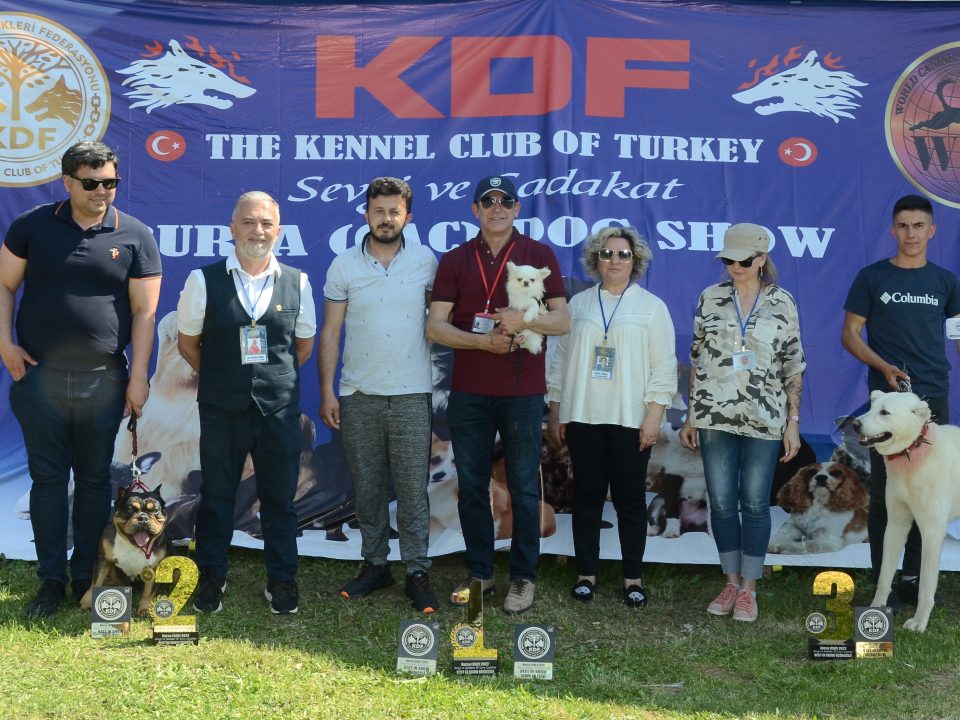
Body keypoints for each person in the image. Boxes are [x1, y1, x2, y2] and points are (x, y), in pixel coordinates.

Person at [0, 141, 162, 618]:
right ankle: (50, 582)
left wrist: (140, 377)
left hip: (104, 380)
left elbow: (145, 312)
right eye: (91, 183)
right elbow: (5, 284)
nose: (101, 191)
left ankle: (88, 579)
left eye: (110, 182)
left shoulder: (135, 234)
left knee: (93, 482)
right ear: (67, 181)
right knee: (48, 481)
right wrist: (5, 343)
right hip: (40, 377)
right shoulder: (31, 226)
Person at [426, 175, 570, 614]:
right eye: (487, 201)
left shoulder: (538, 255)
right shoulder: (455, 259)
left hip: (522, 391)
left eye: (505, 200)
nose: (497, 207)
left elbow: (562, 321)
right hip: (469, 391)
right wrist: (481, 342)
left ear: (517, 208)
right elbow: (436, 327)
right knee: (472, 486)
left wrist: (523, 320)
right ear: (475, 210)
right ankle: (480, 573)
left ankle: (523, 577)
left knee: (524, 487)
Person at [177, 191, 316, 615]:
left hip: (278, 410)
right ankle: (211, 578)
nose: (258, 231)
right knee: (217, 496)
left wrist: (269, 380)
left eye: (267, 223)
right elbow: (187, 344)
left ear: (278, 231)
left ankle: (282, 580)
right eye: (250, 222)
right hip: (221, 409)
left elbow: (302, 347)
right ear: (233, 228)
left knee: (279, 500)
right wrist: (224, 378)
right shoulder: (203, 280)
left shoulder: (298, 281)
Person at [319, 177, 439, 612]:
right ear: (366, 214)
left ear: (408, 216)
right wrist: (328, 391)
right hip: (359, 393)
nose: (386, 219)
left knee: (412, 489)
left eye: (394, 211)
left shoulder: (426, 261)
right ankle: (375, 565)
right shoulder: (343, 265)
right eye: (378, 211)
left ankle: (417, 570)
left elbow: (439, 322)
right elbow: (330, 332)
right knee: (367, 487)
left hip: (412, 393)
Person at [679, 223, 805, 623]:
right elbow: (696, 358)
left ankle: (750, 588)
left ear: (762, 259)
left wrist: (793, 422)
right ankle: (730, 581)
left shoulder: (783, 302)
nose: (735, 267)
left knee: (753, 503)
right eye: (729, 260)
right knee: (721, 504)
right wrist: (691, 414)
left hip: (765, 419)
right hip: (714, 416)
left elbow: (794, 366)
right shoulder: (710, 297)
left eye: (744, 261)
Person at [547, 226, 676, 607]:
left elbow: (664, 367)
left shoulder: (652, 307)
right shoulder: (578, 305)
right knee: (586, 498)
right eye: (606, 253)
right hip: (583, 416)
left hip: (630, 420)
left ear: (635, 261)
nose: (614, 260)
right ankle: (586, 574)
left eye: (623, 254)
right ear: (595, 260)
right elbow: (559, 361)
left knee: (630, 501)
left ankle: (632, 578)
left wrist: (654, 416)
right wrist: (556, 409)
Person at [842, 194, 960, 609]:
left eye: (919, 226)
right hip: (888, 406)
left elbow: (958, 334)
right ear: (893, 230)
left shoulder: (945, 282)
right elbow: (850, 335)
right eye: (904, 226)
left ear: (932, 231)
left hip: (932, 401)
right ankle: (884, 588)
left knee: (929, 497)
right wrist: (884, 366)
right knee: (887, 497)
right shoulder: (872, 277)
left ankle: (914, 581)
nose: (911, 233)